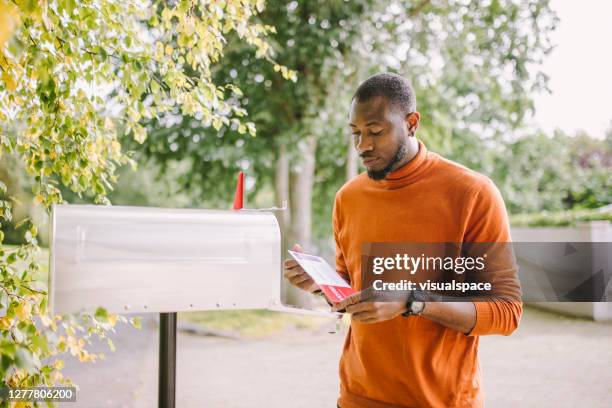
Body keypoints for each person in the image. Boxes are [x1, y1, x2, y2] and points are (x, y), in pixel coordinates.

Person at [283, 72, 522, 408]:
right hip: (356, 398)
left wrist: (412, 301)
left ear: (411, 123)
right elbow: (354, 292)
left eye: (376, 132)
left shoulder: (472, 194)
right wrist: (321, 284)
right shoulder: (347, 198)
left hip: (441, 401)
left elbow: (507, 312)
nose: (363, 145)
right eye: (356, 133)